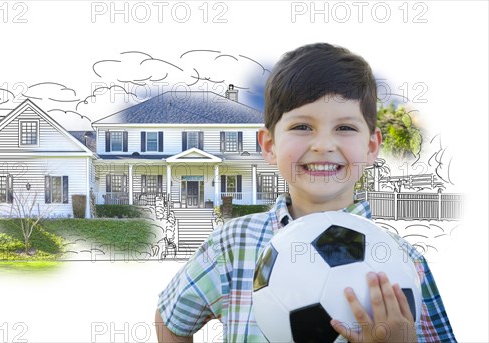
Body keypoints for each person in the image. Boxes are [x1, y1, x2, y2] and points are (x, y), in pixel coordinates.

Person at [155, 43, 456, 342]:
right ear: (270, 146)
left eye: (345, 128)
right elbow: (170, 320)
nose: (323, 144)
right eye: (302, 126)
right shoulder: (232, 244)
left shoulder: (404, 260)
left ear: (371, 147)